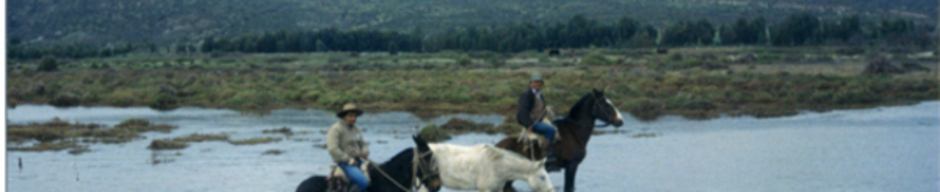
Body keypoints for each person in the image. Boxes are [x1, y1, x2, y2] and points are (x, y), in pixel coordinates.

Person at [326, 103, 370, 191]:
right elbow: (333, 149)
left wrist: (364, 152)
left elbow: (362, 144)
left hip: (358, 161)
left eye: (355, 116)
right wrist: (348, 160)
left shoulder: (356, 129)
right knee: (363, 182)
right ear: (344, 116)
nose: (353, 119)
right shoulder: (336, 129)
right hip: (345, 163)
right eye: (350, 116)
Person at [516, 73, 557, 161]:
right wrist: (528, 125)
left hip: (539, 120)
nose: (538, 84)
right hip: (532, 122)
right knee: (551, 130)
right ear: (531, 83)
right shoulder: (527, 95)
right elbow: (522, 111)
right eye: (536, 82)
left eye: (540, 82)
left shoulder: (539, 94)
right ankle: (546, 153)